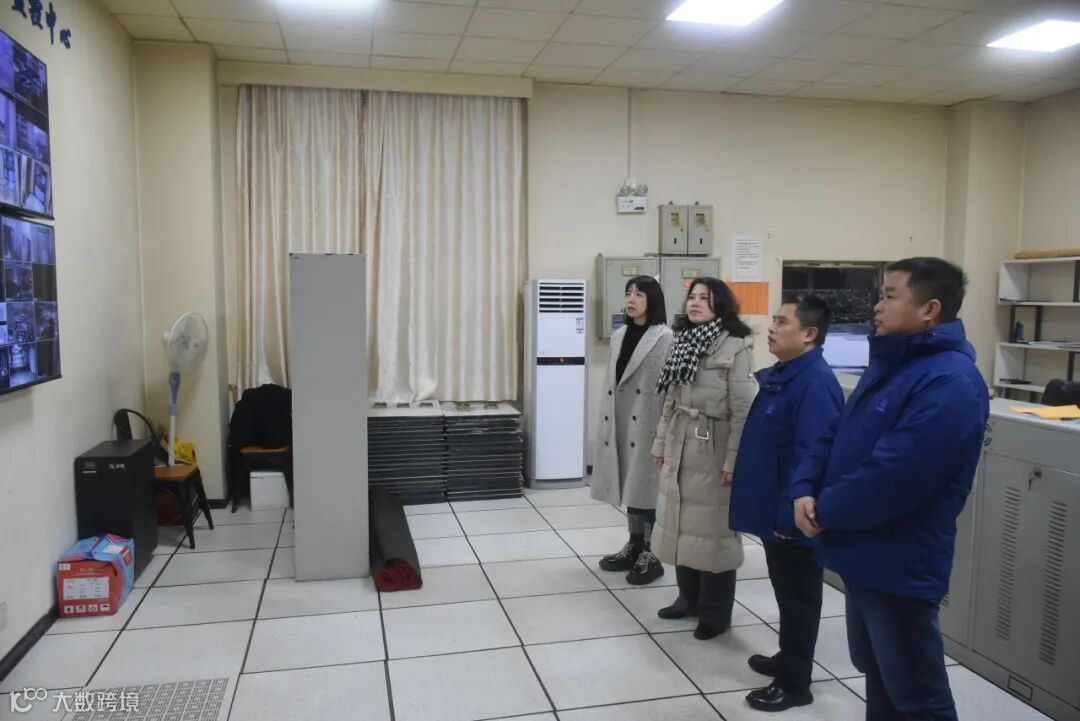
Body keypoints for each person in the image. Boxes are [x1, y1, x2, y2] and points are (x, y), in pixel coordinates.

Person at [789, 258, 989, 721]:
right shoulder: (892, 363)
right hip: (860, 553)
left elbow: (896, 476)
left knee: (918, 697)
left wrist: (824, 509)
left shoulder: (950, 381)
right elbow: (836, 433)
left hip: (899, 562)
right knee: (879, 676)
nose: (877, 306)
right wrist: (804, 488)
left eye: (890, 295)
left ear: (930, 309)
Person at [729, 295, 844, 712]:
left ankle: (795, 684)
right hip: (776, 506)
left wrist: (789, 516)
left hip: (792, 514)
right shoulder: (786, 374)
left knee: (799, 596)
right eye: (774, 320)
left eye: (782, 322)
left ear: (809, 334)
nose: (772, 328)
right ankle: (788, 656)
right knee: (785, 588)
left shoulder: (814, 384)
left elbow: (812, 458)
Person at [651, 277, 757, 640]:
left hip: (714, 447)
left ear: (721, 305)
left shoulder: (736, 346)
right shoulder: (683, 341)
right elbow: (670, 400)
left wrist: (733, 461)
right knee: (682, 524)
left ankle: (715, 613)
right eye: (692, 297)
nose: (695, 303)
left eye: (705, 299)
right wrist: (660, 444)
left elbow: (743, 410)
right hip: (680, 442)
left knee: (713, 533)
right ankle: (688, 600)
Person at [590, 276, 673, 584]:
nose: (631, 299)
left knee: (648, 490)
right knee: (631, 487)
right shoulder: (619, 335)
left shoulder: (665, 337)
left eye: (639, 294)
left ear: (653, 300)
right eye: (628, 293)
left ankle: (653, 552)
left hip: (649, 423)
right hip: (621, 421)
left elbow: (670, 388)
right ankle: (635, 544)